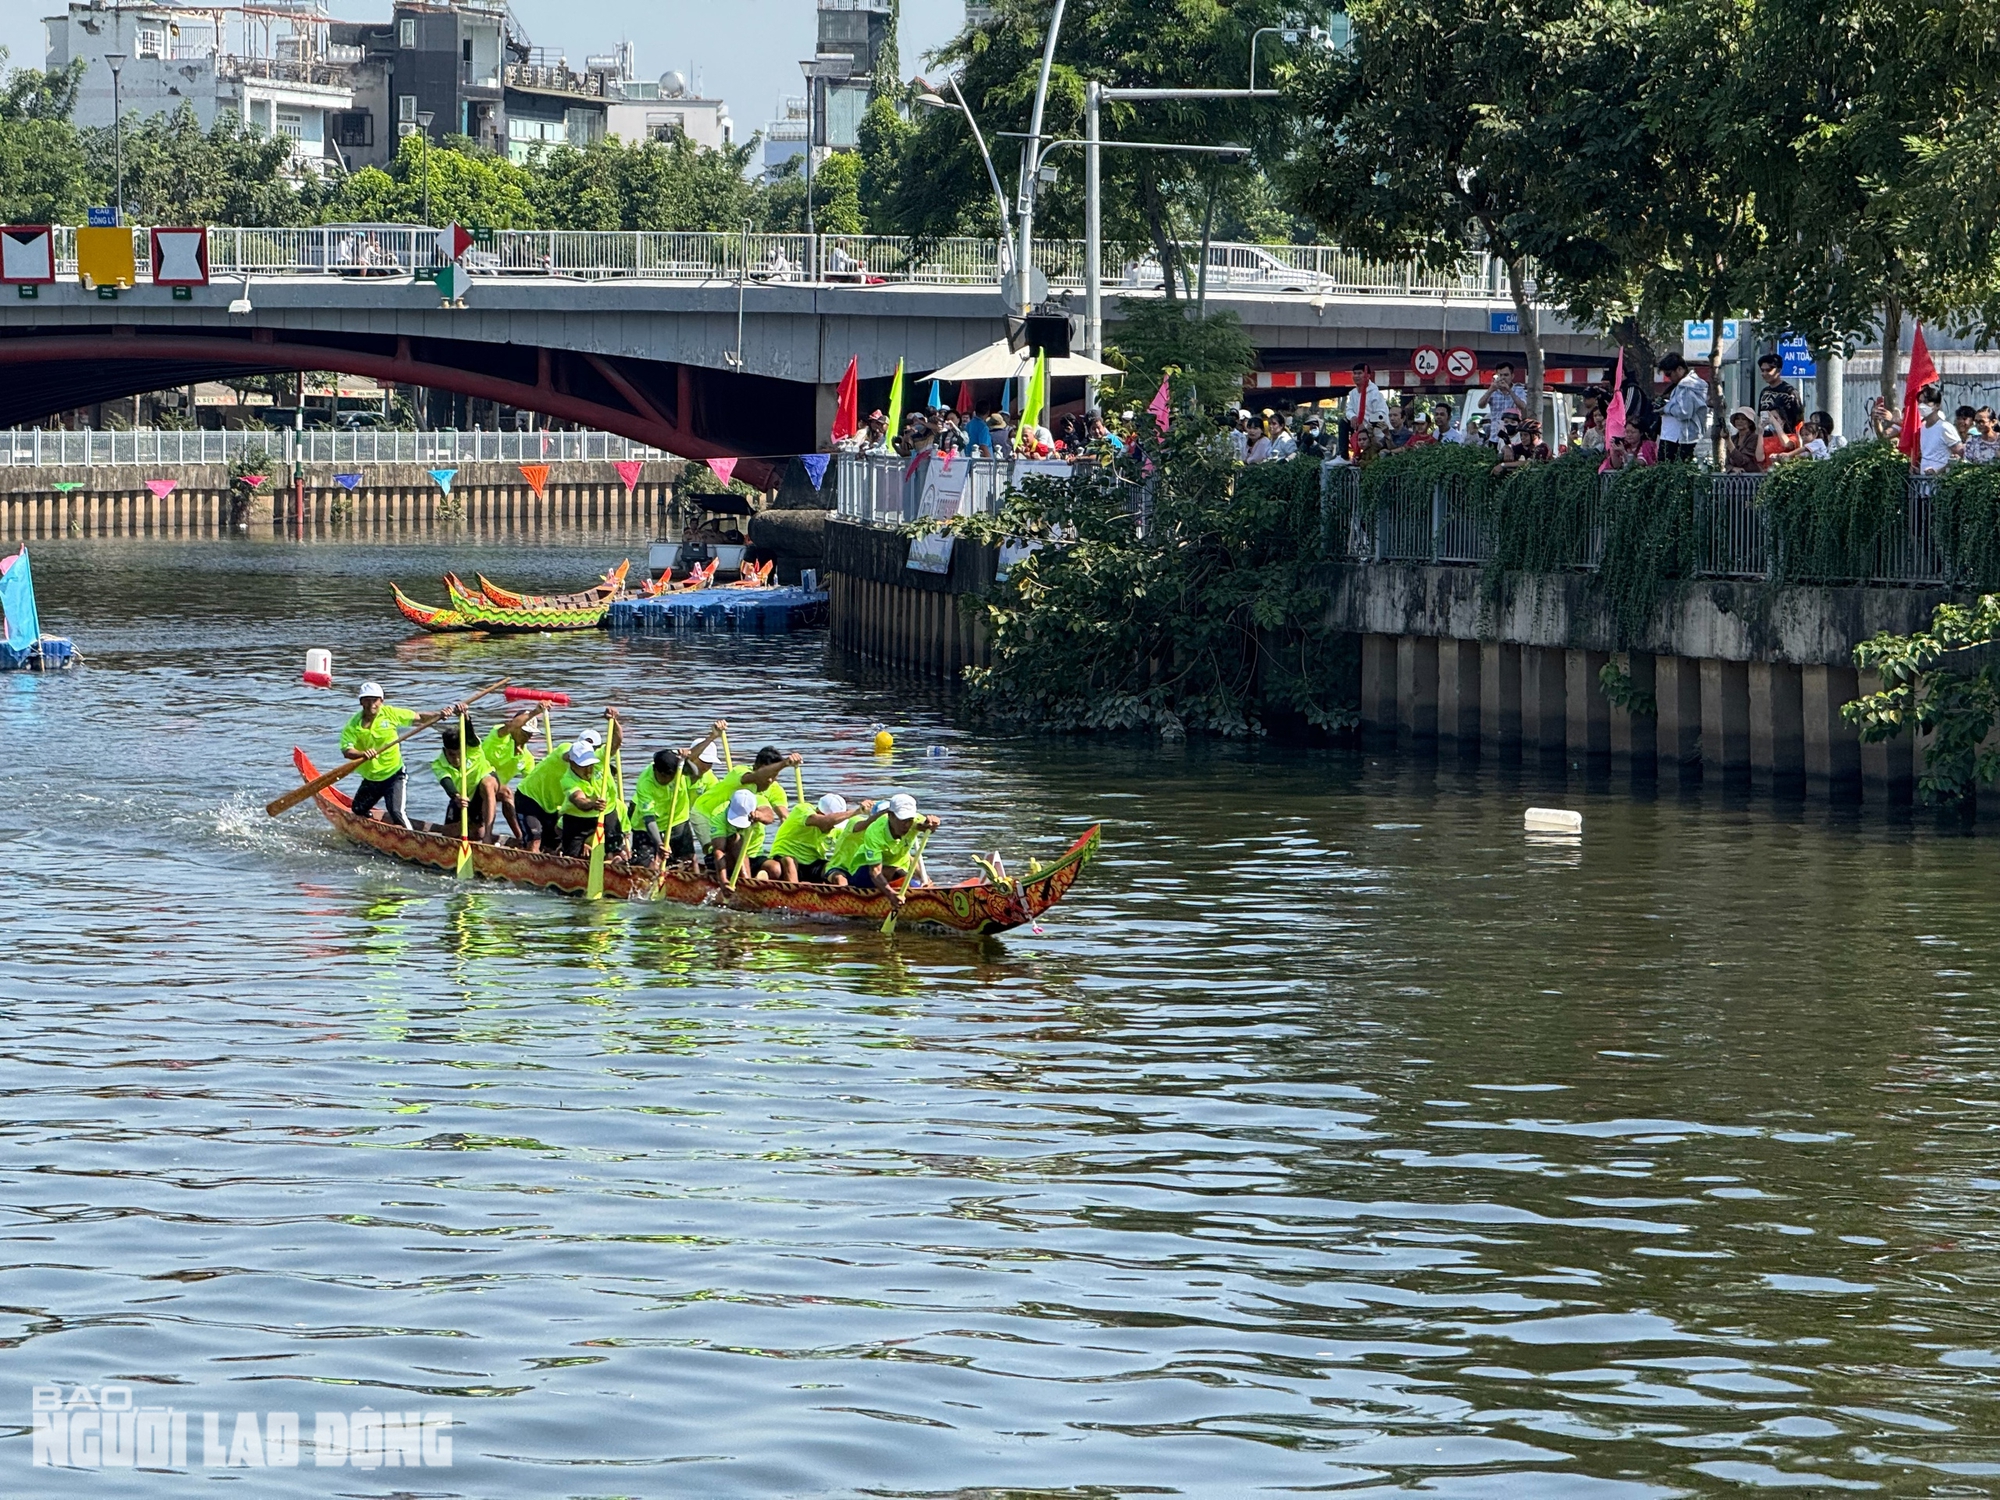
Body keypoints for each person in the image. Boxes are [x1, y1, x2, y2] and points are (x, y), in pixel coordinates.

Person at [692, 745, 798, 877]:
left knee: (739, 845)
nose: (770, 780)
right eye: (768, 774)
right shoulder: (740, 772)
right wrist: (785, 763)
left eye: (775, 775)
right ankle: (716, 873)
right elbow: (757, 776)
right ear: (756, 767)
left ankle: (753, 876)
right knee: (719, 850)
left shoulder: (775, 789)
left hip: (737, 822)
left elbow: (783, 816)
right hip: (707, 813)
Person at [342, 682, 430, 830]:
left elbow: (419, 717)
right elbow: (347, 751)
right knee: (358, 810)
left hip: (394, 774)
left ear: (381, 701)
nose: (371, 704)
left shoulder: (390, 714)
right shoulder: (353, 725)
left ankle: (412, 839)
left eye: (375, 700)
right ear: (361, 702)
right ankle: (372, 829)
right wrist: (362, 753)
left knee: (396, 812)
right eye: (367, 700)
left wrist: (442, 713)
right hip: (372, 778)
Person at [826, 793, 941, 895]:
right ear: (889, 816)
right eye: (902, 819)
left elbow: (921, 827)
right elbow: (875, 872)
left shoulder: (911, 822)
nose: (906, 825)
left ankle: (923, 893)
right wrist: (891, 895)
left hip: (890, 870)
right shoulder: (870, 829)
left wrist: (931, 824)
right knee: (842, 881)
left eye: (909, 820)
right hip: (853, 870)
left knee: (909, 875)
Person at [766, 793, 873, 883]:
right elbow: (824, 822)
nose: (831, 828)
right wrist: (856, 811)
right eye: (832, 824)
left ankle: (839, 896)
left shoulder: (837, 828)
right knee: (789, 861)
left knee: (832, 868)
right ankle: (794, 897)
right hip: (786, 857)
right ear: (819, 812)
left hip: (814, 863)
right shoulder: (802, 809)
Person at [430, 715, 496, 840]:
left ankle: (488, 836)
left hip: (480, 793)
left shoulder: (472, 748)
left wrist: (466, 718)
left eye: (459, 754)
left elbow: (470, 734)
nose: (456, 759)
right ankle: (469, 825)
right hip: (461, 798)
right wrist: (456, 796)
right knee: (448, 834)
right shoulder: (438, 764)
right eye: (451, 755)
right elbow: (446, 782)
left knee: (488, 784)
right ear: (445, 751)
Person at [478, 709, 538, 844]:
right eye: (524, 732)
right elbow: (511, 725)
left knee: (510, 794)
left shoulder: (527, 757)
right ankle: (487, 837)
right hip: (473, 786)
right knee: (492, 784)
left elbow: (532, 786)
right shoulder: (499, 736)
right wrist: (535, 712)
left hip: (495, 793)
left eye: (530, 734)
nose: (527, 737)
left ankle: (520, 837)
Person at [553, 740, 618, 859]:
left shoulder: (600, 758)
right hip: (577, 820)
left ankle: (614, 861)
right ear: (572, 764)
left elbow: (615, 743)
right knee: (572, 856)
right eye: (583, 766)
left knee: (614, 850)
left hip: (606, 814)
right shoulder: (567, 780)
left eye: (590, 765)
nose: (588, 770)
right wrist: (593, 804)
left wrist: (614, 723)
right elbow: (579, 800)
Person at [1656, 354, 1709, 461]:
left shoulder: (1686, 386)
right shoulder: (1684, 385)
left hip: (1680, 438)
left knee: (1671, 469)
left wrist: (1666, 408)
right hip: (1677, 436)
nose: (1669, 378)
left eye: (1669, 374)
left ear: (1680, 369)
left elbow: (1684, 412)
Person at [1915, 383, 1963, 473]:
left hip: (1941, 481)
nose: (1921, 406)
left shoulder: (1945, 427)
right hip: (1923, 481)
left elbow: (1960, 454)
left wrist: (1939, 471)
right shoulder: (1923, 427)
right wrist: (1918, 470)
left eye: (1926, 402)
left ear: (1937, 405)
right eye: (1920, 402)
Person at [1343, 365, 1390, 453]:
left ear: (1367, 375)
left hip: (1375, 431)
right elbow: (1349, 409)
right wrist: (1353, 417)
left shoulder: (1375, 393)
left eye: (1360, 373)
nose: (1356, 376)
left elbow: (1380, 414)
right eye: (1355, 373)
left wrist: (1365, 425)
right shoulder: (1353, 393)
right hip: (1360, 428)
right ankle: (1343, 455)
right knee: (1343, 422)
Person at [1755, 353, 1805, 434]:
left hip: (1786, 438)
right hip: (1766, 438)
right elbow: (1759, 417)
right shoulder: (1764, 392)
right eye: (1762, 370)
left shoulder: (1790, 392)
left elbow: (1799, 420)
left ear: (1778, 370)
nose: (1764, 374)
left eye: (1768, 370)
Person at [1483, 361, 1529, 438]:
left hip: (1513, 437)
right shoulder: (1493, 391)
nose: (1503, 378)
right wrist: (1490, 390)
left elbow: (1522, 406)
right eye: (1500, 375)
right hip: (1495, 435)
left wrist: (1509, 390)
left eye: (1506, 375)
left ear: (1512, 376)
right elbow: (1480, 405)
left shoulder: (1519, 390)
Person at [1724, 407, 1763, 472]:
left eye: (1743, 419)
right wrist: (1733, 469)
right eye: (1737, 419)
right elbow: (1727, 463)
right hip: (1733, 479)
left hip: (1751, 478)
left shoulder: (1754, 438)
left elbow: (1741, 460)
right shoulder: (1733, 439)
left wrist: (1728, 440)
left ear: (1750, 423)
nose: (1740, 421)